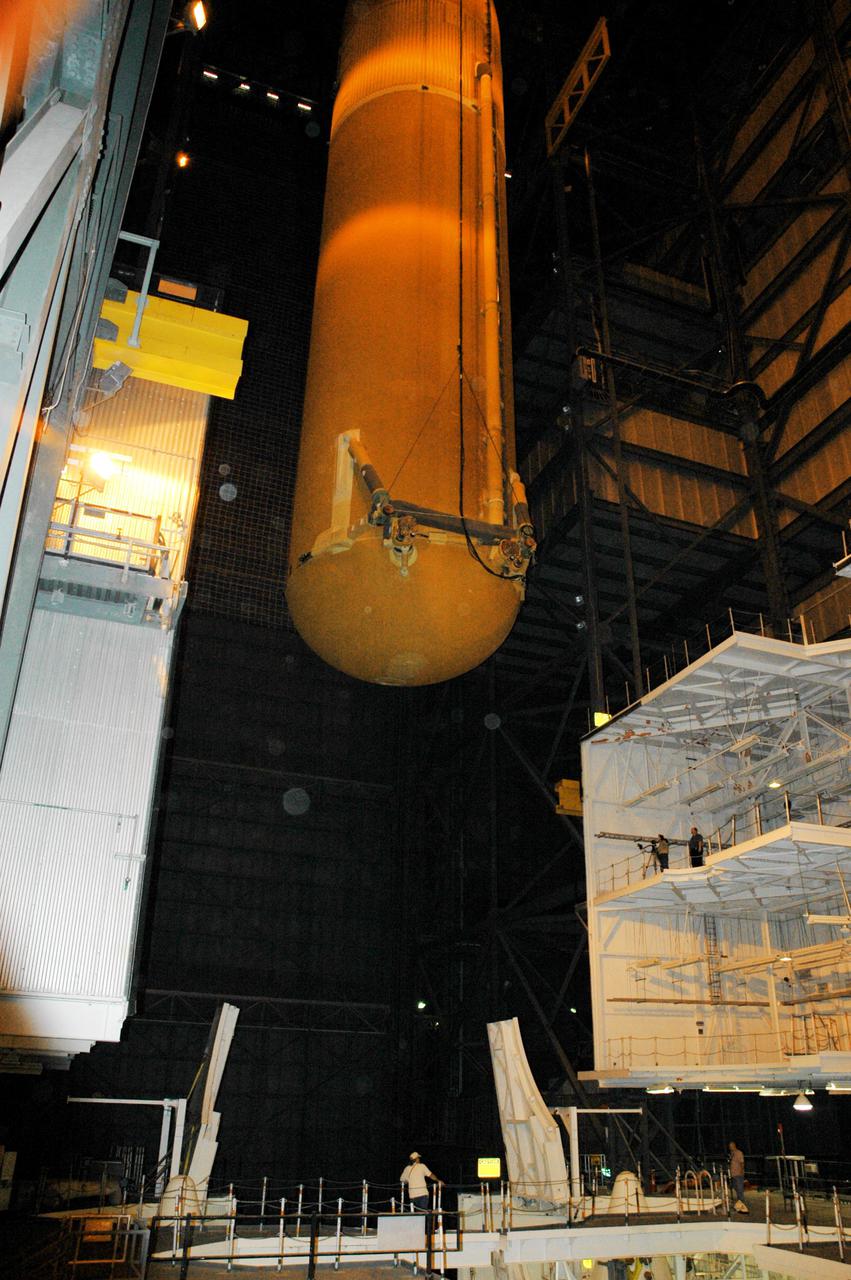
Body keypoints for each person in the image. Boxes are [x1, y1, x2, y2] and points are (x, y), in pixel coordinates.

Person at [728, 1141, 748, 1213]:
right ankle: (739, 1201)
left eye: (731, 1146)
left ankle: (742, 1205)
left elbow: (742, 1163)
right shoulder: (732, 1153)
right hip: (733, 1174)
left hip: (738, 1174)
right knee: (735, 1187)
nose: (730, 1147)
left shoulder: (739, 1153)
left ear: (734, 1146)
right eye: (729, 1146)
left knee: (740, 1189)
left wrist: (742, 1172)